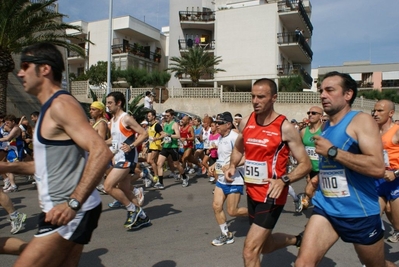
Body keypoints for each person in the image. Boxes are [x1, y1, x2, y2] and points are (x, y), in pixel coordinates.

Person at [1, 42, 113, 267]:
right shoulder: (47, 110)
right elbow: (42, 167)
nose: (20, 72)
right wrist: (5, 168)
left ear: (44, 69)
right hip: (65, 211)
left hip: (70, 213)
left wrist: (73, 203)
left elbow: (101, 151)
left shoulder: (60, 105)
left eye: (25, 65)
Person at [295, 72, 396, 267]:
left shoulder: (361, 121)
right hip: (327, 207)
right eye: (321, 91)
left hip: (358, 212)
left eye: (330, 90)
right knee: (303, 264)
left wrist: (333, 152)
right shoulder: (325, 126)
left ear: (348, 94)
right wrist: (319, 178)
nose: (323, 95)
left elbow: (376, 168)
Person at [225, 78, 311, 267]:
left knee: (249, 250)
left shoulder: (285, 128)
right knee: (263, 246)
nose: (255, 101)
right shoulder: (246, 122)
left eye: (261, 97)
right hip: (252, 193)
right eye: (253, 96)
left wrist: (283, 180)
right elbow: (239, 148)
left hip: (272, 194)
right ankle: (297, 240)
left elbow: (305, 164)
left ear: (273, 98)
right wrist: (232, 165)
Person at [104, 91, 150, 229]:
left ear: (119, 103)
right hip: (118, 157)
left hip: (128, 157)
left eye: (110, 103)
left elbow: (144, 133)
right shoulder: (112, 121)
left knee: (108, 186)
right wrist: (98, 143)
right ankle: (142, 217)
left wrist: (132, 146)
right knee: (124, 188)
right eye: (107, 103)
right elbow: (114, 140)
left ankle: (132, 209)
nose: (108, 106)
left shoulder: (126, 118)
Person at [210, 112, 248, 246]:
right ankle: (226, 234)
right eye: (216, 123)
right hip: (221, 179)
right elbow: (223, 158)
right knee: (216, 206)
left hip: (235, 178)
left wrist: (232, 165)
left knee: (232, 211)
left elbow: (247, 156)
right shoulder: (220, 138)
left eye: (219, 123)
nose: (216, 126)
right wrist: (215, 165)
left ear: (228, 124)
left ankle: (255, 213)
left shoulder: (235, 137)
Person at [372, 100, 399, 243]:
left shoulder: (397, 131)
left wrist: (395, 174)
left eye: (380, 111)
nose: (375, 114)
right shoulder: (372, 132)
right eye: (374, 111)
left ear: (391, 113)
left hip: (396, 180)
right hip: (378, 179)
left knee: (398, 223)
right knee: (373, 217)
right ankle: (372, 260)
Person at [298, 106, 324, 211]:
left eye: (314, 113)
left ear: (320, 116)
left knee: (310, 189)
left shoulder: (324, 130)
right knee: (311, 189)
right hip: (309, 167)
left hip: (322, 168)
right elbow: (301, 151)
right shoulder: (304, 131)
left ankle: (311, 203)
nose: (310, 115)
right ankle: (314, 203)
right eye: (309, 112)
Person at [155, 109, 187, 189]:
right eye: (165, 116)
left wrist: (169, 135)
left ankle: (184, 177)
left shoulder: (175, 124)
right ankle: (161, 183)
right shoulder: (165, 124)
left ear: (172, 116)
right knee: (159, 164)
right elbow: (164, 135)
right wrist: (157, 139)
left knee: (176, 165)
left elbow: (178, 136)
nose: (166, 117)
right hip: (165, 147)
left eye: (168, 116)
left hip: (173, 147)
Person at [145, 110, 162, 187]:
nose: (148, 117)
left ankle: (156, 176)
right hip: (150, 145)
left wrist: (157, 139)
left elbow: (163, 134)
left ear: (153, 116)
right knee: (148, 161)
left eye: (149, 116)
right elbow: (149, 135)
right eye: (148, 116)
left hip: (156, 145)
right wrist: (146, 142)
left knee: (151, 161)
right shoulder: (150, 125)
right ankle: (154, 173)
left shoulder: (157, 125)